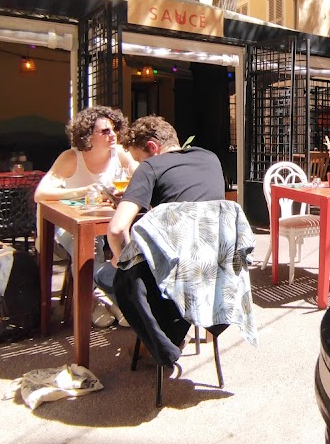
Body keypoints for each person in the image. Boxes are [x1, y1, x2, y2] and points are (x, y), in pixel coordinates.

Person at [103, 115, 254, 367]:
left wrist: (122, 258)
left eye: (140, 158)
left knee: (107, 273)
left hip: (173, 278)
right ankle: (173, 332)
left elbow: (117, 229)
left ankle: (159, 340)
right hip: (213, 274)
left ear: (152, 148)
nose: (140, 164)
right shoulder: (210, 159)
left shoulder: (151, 168)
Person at [34, 106, 137, 325]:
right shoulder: (71, 158)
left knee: (131, 240)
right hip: (67, 228)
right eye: (105, 131)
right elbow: (40, 194)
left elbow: (140, 175)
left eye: (114, 129)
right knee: (88, 244)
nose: (113, 135)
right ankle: (103, 300)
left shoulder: (119, 153)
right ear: (87, 135)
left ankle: (116, 299)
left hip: (104, 223)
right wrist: (81, 191)